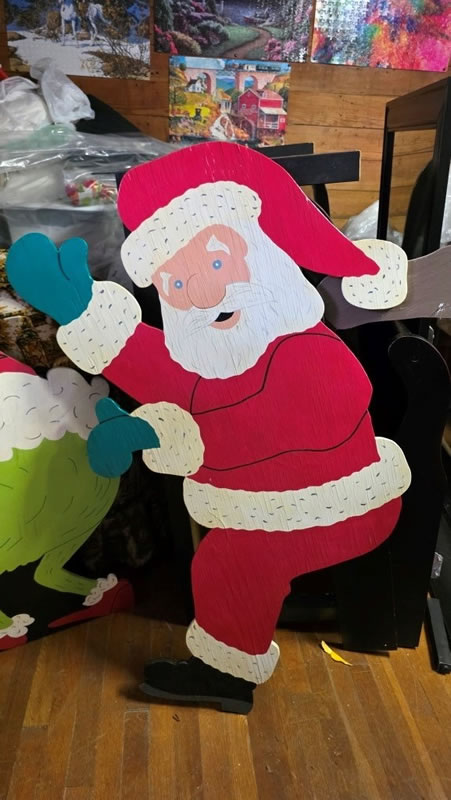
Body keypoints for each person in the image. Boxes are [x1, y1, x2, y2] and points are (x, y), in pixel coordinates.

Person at [6, 142, 410, 713]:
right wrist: (84, 313)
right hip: (271, 505)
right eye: (176, 284)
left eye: (216, 266)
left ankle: (226, 676)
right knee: (228, 560)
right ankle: (227, 669)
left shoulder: (307, 349)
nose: (199, 293)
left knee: (232, 564)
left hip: (340, 504)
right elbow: (179, 374)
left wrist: (160, 434)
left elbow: (258, 419)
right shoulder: (228, 348)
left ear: (259, 258)